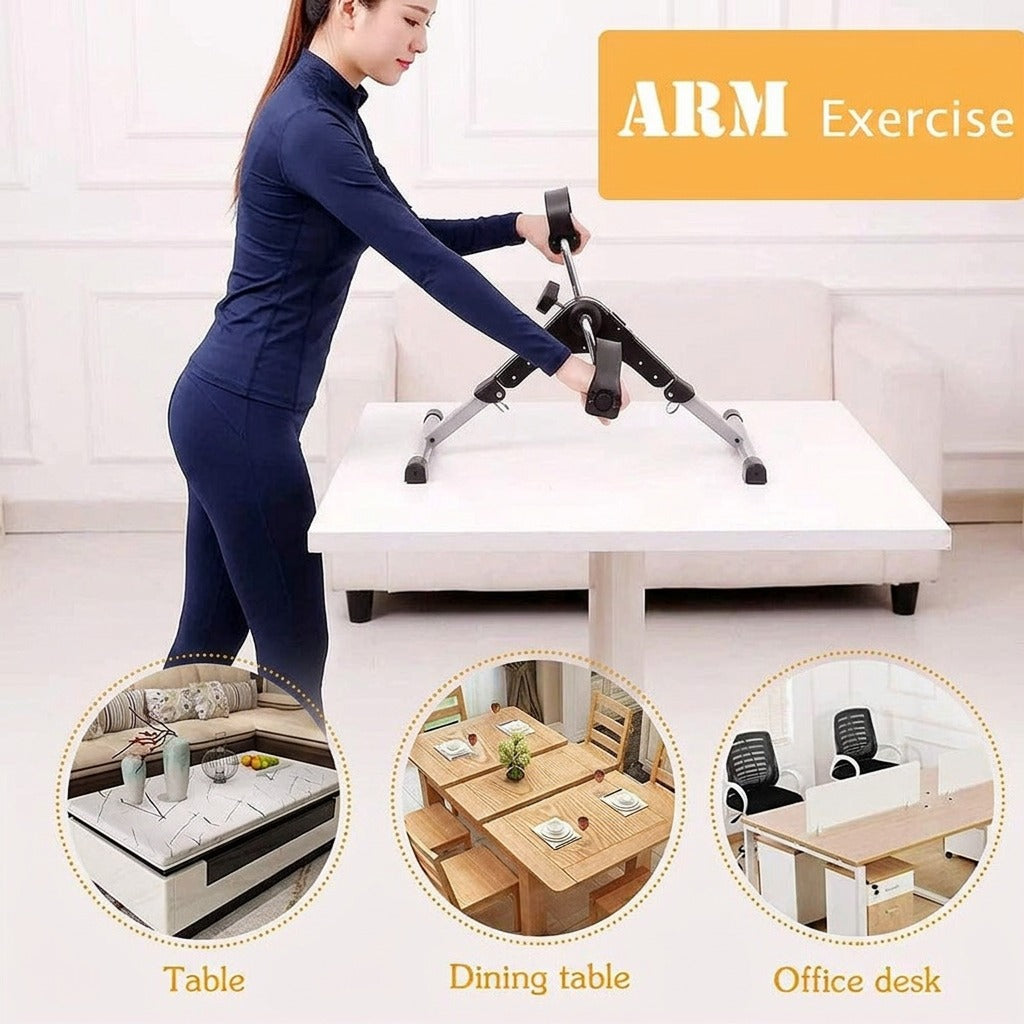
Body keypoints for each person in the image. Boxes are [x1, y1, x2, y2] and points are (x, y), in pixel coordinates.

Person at [165, 0, 627, 710]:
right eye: (412, 20)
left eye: (429, 25)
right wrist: (562, 363)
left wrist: (514, 226)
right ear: (351, 8)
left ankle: (138, 786)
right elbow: (424, 264)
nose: (423, 43)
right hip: (240, 421)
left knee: (205, 646)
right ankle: (283, 815)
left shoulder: (328, 111)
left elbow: (404, 229)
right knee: (294, 666)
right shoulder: (310, 127)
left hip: (224, 407)